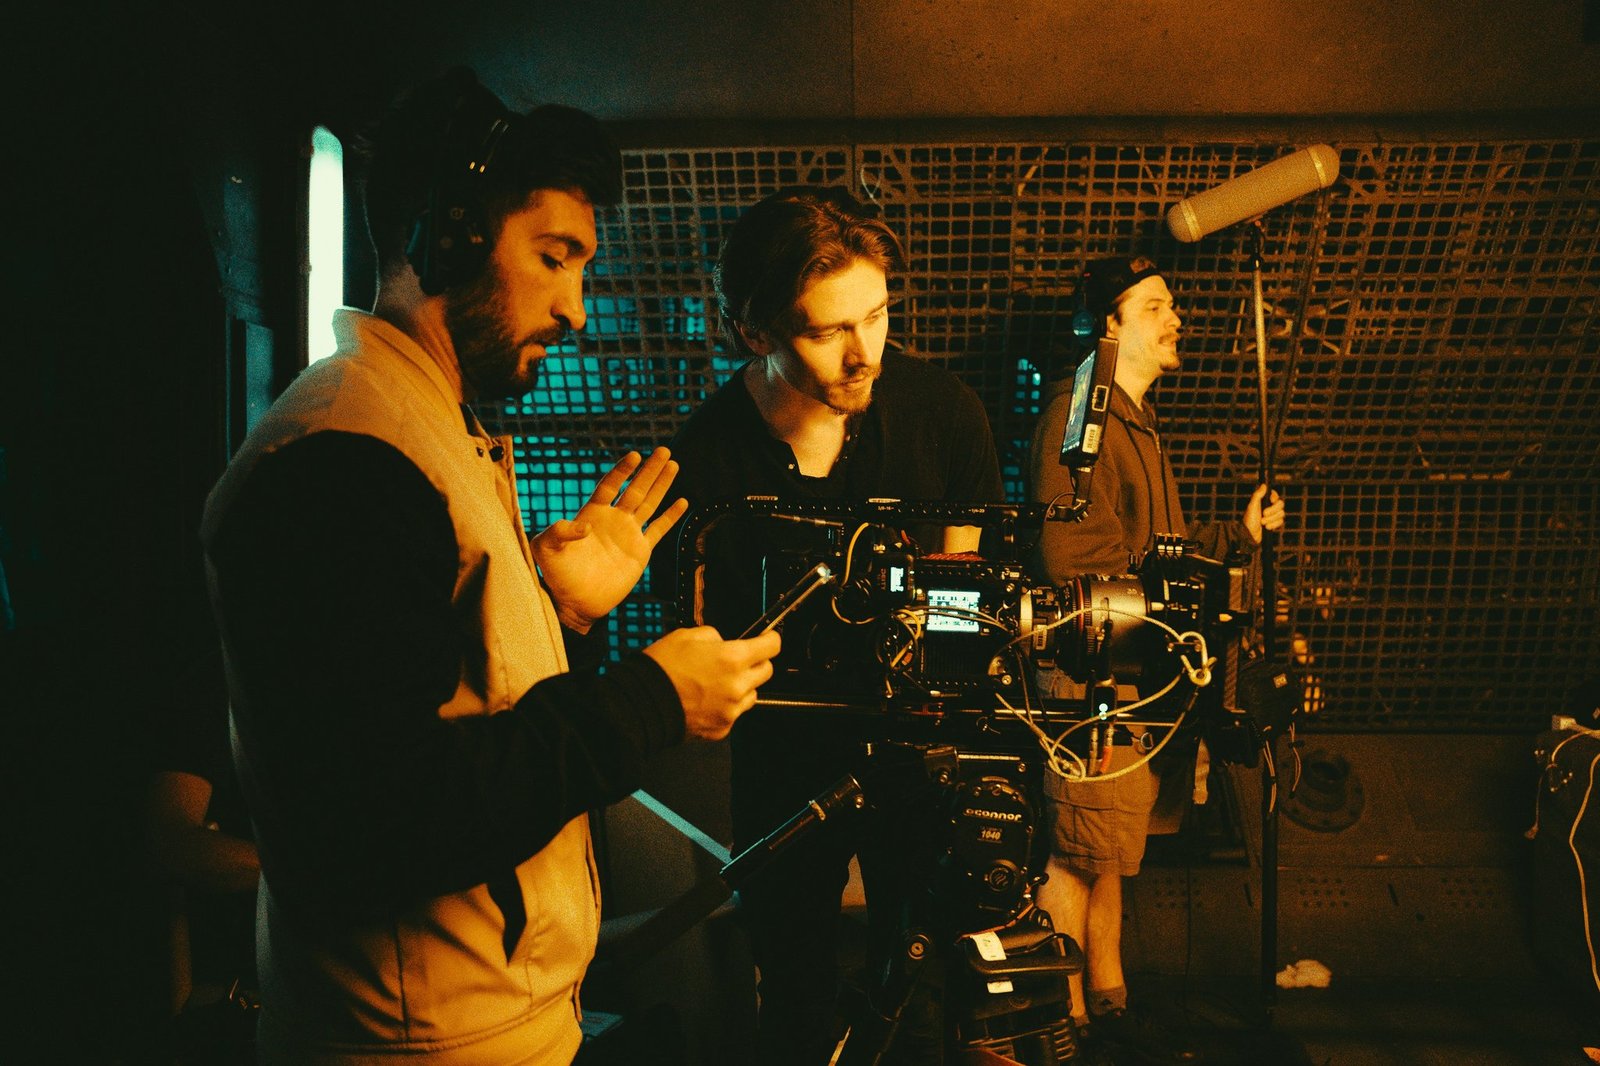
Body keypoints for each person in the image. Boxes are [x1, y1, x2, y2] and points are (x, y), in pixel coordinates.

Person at [200, 68, 780, 1065]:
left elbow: (433, 701)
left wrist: (557, 611)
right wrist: (646, 701)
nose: (577, 310)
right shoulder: (347, 457)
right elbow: (380, 819)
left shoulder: (426, 431)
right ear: (455, 232)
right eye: (555, 258)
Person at [650, 185, 1005, 1064]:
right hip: (783, 764)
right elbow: (697, 647)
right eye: (826, 332)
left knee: (920, 990)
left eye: (877, 315)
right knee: (795, 997)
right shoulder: (705, 457)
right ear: (757, 332)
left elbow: (961, 595)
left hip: (918, 749)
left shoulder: (942, 414)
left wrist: (945, 687)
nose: (864, 354)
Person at [1027, 255, 1285, 1063]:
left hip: (1135, 680)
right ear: (1108, 323)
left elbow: (1155, 551)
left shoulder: (1131, 420)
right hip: (1097, 678)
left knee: (1108, 854)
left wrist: (1236, 538)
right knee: (1073, 855)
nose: (1176, 318)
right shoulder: (1084, 412)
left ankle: (1107, 1000)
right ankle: (1062, 1015)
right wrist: (1165, 604)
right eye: (1156, 306)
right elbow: (1069, 552)